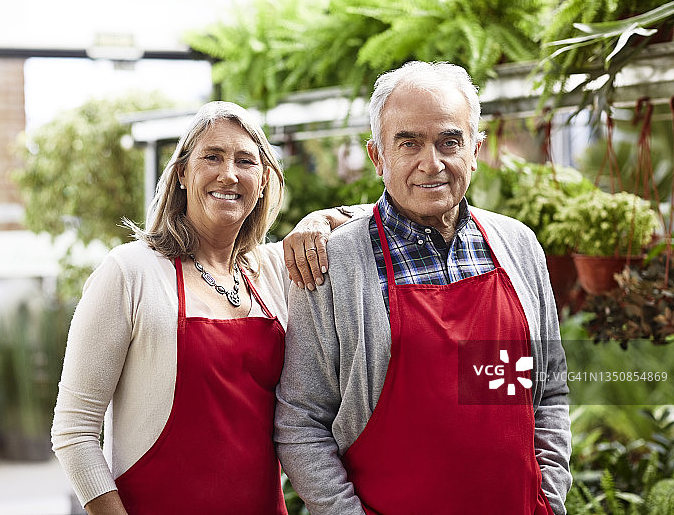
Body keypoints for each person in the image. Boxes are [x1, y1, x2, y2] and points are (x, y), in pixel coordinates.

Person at [275, 61, 572, 515]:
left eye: (449, 142)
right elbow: (301, 422)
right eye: (408, 142)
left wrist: (547, 500)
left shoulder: (518, 245)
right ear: (378, 157)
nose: (431, 164)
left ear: (475, 150)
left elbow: (549, 389)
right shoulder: (331, 264)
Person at [51, 101, 359, 514]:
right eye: (212, 157)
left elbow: (387, 215)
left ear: (264, 181)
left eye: (245, 161)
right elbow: (74, 432)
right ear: (181, 172)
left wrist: (320, 219)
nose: (228, 174)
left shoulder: (275, 271)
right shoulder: (130, 272)